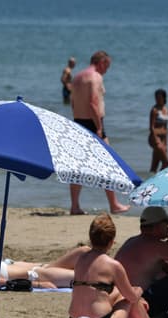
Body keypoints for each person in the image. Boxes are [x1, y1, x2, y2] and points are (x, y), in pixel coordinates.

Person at [68, 214, 152, 318]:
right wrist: (139, 290)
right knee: (129, 296)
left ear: (91, 238)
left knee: (116, 293)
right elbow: (132, 297)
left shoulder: (81, 258)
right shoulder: (113, 265)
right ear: (112, 242)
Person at [69, 50, 129, 215]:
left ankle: (74, 206)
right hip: (94, 123)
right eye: (107, 65)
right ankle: (114, 204)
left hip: (78, 122)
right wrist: (99, 128)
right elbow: (93, 102)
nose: (107, 69)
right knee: (108, 164)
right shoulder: (95, 77)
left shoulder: (77, 77)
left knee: (77, 167)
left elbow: (73, 103)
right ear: (101, 62)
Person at [0, 245, 91, 289]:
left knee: (85, 251)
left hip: (44, 267)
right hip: (39, 275)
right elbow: (8, 283)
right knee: (88, 277)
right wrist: (39, 285)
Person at [148, 88, 168, 173]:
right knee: (166, 162)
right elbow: (151, 127)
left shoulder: (167, 110)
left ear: (164, 98)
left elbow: (165, 128)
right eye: (156, 98)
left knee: (154, 165)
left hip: (162, 139)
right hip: (154, 138)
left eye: (159, 98)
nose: (157, 99)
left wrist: (165, 143)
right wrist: (157, 140)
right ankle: (158, 180)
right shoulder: (154, 110)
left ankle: (148, 182)